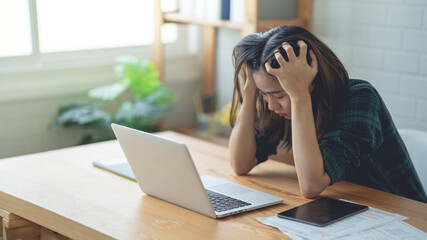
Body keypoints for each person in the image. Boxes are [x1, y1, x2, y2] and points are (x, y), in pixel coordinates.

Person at [228, 25, 427, 203]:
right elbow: (240, 163)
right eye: (264, 95)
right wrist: (250, 90)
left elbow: (311, 185)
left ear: (312, 80)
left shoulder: (361, 98)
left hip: (405, 216)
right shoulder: (282, 107)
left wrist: (299, 96)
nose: (271, 105)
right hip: (353, 209)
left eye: (278, 95)